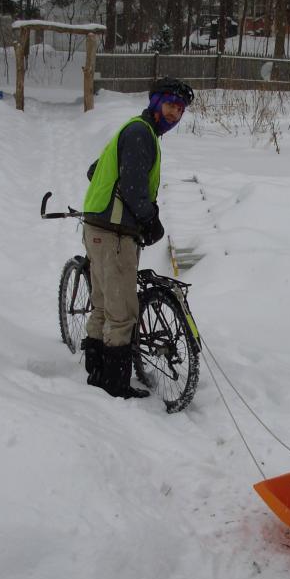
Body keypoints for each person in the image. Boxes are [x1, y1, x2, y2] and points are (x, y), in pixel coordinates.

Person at [81, 77, 194, 399]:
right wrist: (149, 219)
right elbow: (133, 187)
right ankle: (114, 384)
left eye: (180, 109)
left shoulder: (132, 129)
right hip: (115, 233)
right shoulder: (141, 134)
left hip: (98, 227)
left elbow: (94, 170)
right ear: (155, 103)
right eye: (170, 105)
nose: (175, 113)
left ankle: (96, 369)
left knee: (103, 303)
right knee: (122, 312)